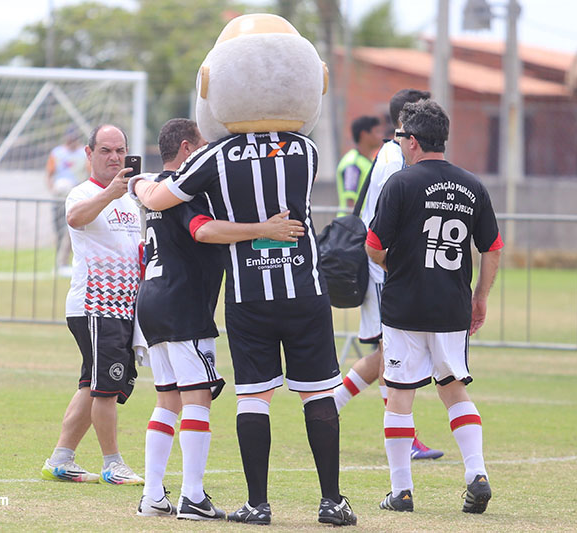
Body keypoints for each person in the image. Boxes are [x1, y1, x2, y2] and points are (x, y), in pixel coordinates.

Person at [130, 130, 357, 526]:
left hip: (178, 297)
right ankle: (196, 496)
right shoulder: (306, 148)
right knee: (309, 392)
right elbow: (202, 229)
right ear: (186, 148)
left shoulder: (211, 161)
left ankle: (244, 503)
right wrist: (262, 227)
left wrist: (136, 181)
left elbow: (154, 198)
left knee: (208, 397)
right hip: (291, 289)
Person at [365, 100, 503, 514]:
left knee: (401, 395)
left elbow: (373, 246)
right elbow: (492, 247)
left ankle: (401, 491)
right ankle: (476, 474)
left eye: (400, 135)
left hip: (404, 306)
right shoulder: (472, 185)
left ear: (412, 141)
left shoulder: (401, 184)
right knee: (454, 389)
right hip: (451, 306)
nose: (399, 142)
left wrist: (397, 263)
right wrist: (480, 296)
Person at [332, 89, 444, 460]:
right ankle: (404, 437)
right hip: (381, 269)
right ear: (408, 119)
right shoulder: (396, 159)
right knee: (392, 354)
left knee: (385, 354)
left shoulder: (392, 154)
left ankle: (327, 407)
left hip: (379, 267)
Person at [41, 124, 145, 486]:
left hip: (122, 307)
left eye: (120, 150)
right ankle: (112, 463)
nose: (114, 157)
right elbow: (75, 218)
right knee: (106, 387)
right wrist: (111, 193)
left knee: (91, 383)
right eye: (105, 150)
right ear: (89, 154)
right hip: (95, 305)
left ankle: (61, 458)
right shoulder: (82, 193)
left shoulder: (132, 201)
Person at [46, 126, 88, 276]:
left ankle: (65, 262)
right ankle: (59, 263)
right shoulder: (57, 153)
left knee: (70, 230)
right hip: (59, 196)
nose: (71, 142)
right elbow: (49, 174)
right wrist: (52, 189)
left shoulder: (83, 154)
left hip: (74, 196)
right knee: (58, 230)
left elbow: (88, 172)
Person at [335, 115, 384, 215]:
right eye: (377, 132)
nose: (381, 136)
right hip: (352, 227)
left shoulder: (369, 161)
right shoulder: (352, 163)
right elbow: (350, 200)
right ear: (364, 134)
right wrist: (353, 227)